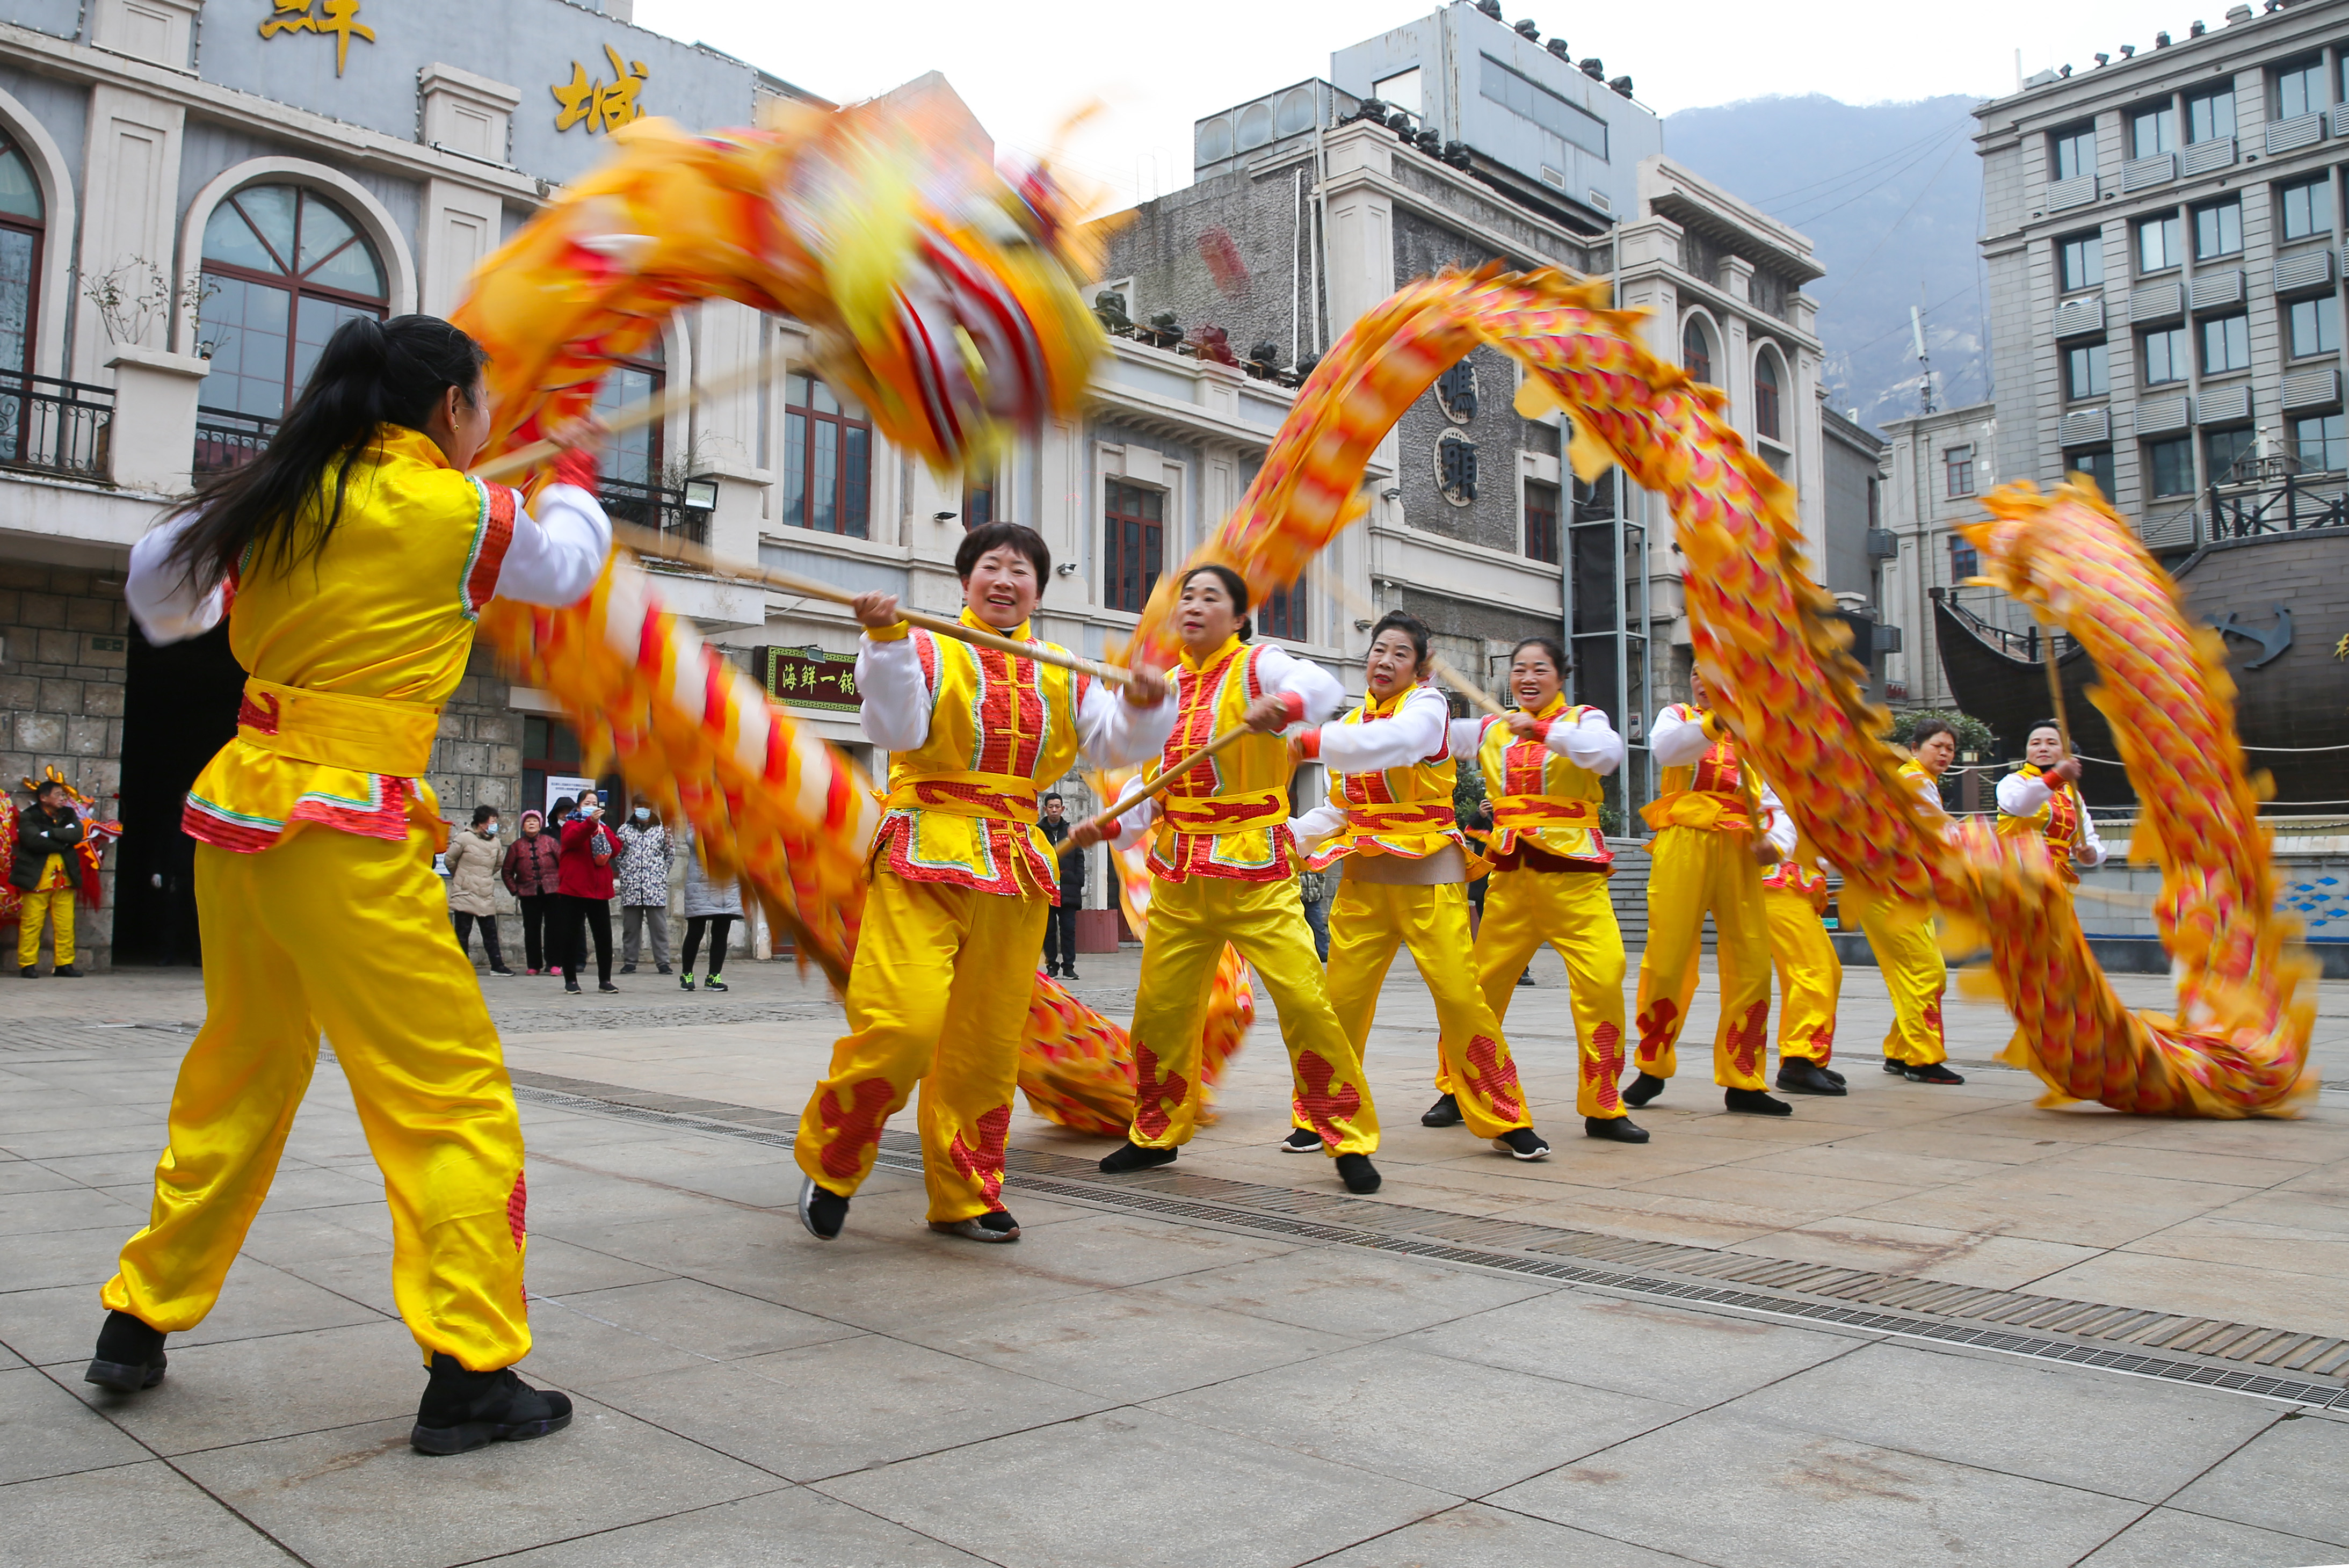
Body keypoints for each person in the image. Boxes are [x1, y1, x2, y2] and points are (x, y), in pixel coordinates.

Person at [102, 313, 607, 1454]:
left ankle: (138, 1316)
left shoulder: (270, 492)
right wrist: (571, 478)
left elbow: (160, 599)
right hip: (348, 816)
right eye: (480, 405)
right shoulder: (463, 509)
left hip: (239, 807)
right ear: (448, 411)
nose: (485, 427)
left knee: (240, 1061)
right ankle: (472, 1364)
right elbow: (569, 568)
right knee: (446, 1093)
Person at [794, 522, 1173, 1243]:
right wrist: (882, 644)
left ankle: (966, 1192)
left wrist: (1148, 704)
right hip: (922, 851)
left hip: (1015, 866)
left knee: (983, 1044)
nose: (1004, 580)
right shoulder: (926, 644)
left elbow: (1116, 748)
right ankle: (835, 1153)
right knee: (901, 1025)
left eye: (1021, 571)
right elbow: (896, 731)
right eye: (991, 567)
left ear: (1038, 588)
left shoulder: (1062, 668)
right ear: (965, 580)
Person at [1077, 565, 1378, 1190]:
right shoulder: (1166, 689)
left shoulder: (1260, 664)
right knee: (1159, 1011)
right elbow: (1152, 783)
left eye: (1211, 598)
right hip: (1183, 871)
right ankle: (1155, 1133)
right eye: (1186, 597)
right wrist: (1110, 824)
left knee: (1303, 999)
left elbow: (1319, 686)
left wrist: (1285, 705)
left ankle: (1345, 1135)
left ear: (1239, 617)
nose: (1194, 606)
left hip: (1255, 869)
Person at [1287, 611, 1553, 1163]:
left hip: (1430, 878)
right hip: (1364, 881)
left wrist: (1314, 740)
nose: (1383, 661)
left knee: (1460, 999)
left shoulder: (1428, 709)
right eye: (1378, 650)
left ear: (1420, 667)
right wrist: (1291, 835)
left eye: (1399, 654)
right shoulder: (1356, 720)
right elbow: (1340, 806)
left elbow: (1401, 744)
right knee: (1339, 1003)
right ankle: (1321, 1113)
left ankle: (1505, 1118)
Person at [1441, 637, 1645, 1142]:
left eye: (1539, 669)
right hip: (1511, 878)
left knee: (1603, 978)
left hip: (1574, 880)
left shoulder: (1583, 721)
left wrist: (1542, 729)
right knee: (1479, 988)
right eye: (1519, 669)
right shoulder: (1492, 729)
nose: (1528, 678)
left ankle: (1603, 1103)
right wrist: (1420, 685)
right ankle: (1456, 1087)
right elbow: (1428, 735)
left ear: (1560, 676)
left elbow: (1606, 756)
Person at [1624, 667, 1792, 1116]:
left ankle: (1745, 1080)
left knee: (1753, 962)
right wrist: (1718, 722)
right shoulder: (1677, 715)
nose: (1702, 682)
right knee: (1668, 957)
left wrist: (1776, 844)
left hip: (1739, 848)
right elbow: (1668, 750)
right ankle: (1652, 1065)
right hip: (1684, 841)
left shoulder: (1760, 738)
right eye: (1698, 673)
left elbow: (1778, 801)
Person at [1846, 718, 1966, 1084]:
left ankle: (1901, 1052)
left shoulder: (1922, 783)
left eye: (1950, 749)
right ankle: (1921, 1059)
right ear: (1915, 749)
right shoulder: (1913, 783)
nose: (1944, 754)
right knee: (1926, 973)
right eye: (1937, 746)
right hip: (1889, 891)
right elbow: (1943, 834)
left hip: (1905, 893)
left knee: (1925, 974)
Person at [1757, 792, 1846, 1098]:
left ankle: (1808, 1056)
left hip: (1797, 883)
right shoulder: (1773, 767)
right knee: (1812, 970)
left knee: (1828, 971)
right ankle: (1799, 1060)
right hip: (1776, 881)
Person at [1997, 720, 2106, 890]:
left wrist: (2092, 854)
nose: (2043, 748)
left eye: (2052, 743)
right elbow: (2023, 806)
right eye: (2035, 743)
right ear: (2026, 752)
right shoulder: (2013, 782)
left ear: (2064, 752)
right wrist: (2056, 776)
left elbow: (2088, 837)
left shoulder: (2073, 795)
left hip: (2057, 882)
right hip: (2018, 876)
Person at [13, 775, 86, 977]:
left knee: (65, 924)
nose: (63, 799)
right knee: (32, 923)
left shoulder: (69, 813)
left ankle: (64, 964)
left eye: (63, 795)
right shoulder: (29, 816)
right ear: (44, 798)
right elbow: (32, 841)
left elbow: (77, 835)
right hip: (37, 878)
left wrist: (51, 834)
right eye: (59, 795)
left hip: (65, 879)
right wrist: (63, 839)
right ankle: (27, 964)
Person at [556, 794, 618, 994]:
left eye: (595, 804)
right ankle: (571, 980)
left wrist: (601, 828)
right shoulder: (571, 825)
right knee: (570, 935)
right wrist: (589, 824)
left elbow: (616, 849)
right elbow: (571, 840)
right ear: (579, 807)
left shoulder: (603, 827)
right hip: (574, 889)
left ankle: (605, 980)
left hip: (599, 891)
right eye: (587, 804)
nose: (592, 807)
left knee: (604, 937)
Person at [443, 804, 512, 976]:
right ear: (482, 822)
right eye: (493, 821)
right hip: (465, 891)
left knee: (490, 932)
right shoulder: (465, 838)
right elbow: (450, 859)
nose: (495, 824)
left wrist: (484, 877)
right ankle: (461, 966)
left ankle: (497, 965)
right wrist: (462, 876)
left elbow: (498, 864)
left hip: (485, 892)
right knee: (462, 932)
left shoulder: (495, 842)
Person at [676, 821, 737, 992]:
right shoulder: (697, 818)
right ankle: (687, 974)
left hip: (726, 882)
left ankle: (714, 976)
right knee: (696, 930)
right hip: (700, 882)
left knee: (721, 930)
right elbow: (692, 839)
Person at [615, 794, 672, 976]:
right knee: (631, 928)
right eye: (640, 806)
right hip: (632, 886)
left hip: (654, 887)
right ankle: (630, 961)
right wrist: (627, 873)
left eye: (647, 806)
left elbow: (669, 855)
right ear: (633, 808)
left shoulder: (662, 830)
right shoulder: (624, 830)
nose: (643, 809)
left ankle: (663, 962)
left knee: (659, 928)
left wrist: (660, 874)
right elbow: (619, 854)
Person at [501, 809, 562, 975]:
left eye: (535, 821)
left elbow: (563, 864)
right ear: (523, 826)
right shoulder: (516, 847)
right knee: (532, 929)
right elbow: (506, 872)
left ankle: (555, 963)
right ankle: (534, 965)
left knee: (554, 928)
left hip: (552, 892)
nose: (532, 823)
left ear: (540, 824)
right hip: (528, 893)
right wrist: (516, 890)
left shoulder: (550, 842)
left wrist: (562, 887)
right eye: (528, 821)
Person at [1039, 792, 1084, 979]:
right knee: (1048, 930)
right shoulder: (1038, 832)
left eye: (1058, 807)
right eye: (1051, 807)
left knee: (1068, 929)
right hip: (1047, 888)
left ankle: (1069, 966)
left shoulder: (1071, 832)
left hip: (1069, 889)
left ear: (1063, 809)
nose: (1055, 810)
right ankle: (1052, 965)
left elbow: (1079, 858)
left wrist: (1078, 880)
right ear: (1045, 809)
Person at [1297, 863, 1332, 962]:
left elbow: (1321, 877)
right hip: (1298, 899)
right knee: (1298, 928)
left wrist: (1320, 893)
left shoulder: (1313, 861)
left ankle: (1323, 953)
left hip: (1313, 900)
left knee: (1318, 927)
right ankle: (1302, 955)